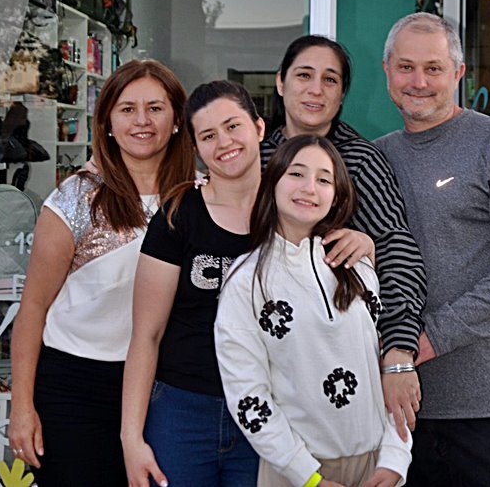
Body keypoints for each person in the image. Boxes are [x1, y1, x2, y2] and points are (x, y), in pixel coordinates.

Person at [121, 80, 373, 487]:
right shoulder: (178, 215)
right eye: (208, 136)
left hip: (277, 414)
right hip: (185, 409)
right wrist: (131, 438)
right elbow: (146, 335)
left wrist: (365, 246)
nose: (224, 142)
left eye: (232, 126)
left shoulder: (296, 206)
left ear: (258, 128)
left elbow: (341, 306)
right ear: (196, 148)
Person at [376, 12, 490, 487]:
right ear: (387, 70)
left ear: (458, 73)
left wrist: (430, 338)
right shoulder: (373, 159)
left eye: (433, 68)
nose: (418, 81)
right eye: (406, 67)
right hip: (394, 415)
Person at [8, 59, 193, 487]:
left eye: (155, 108)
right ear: (108, 122)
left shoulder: (199, 198)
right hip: (75, 390)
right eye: (127, 109)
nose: (142, 120)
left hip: (165, 389)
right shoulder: (75, 198)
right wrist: (22, 406)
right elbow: (33, 307)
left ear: (177, 120)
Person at [215, 134, 412, 487]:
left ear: (337, 194)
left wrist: (396, 456)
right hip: (296, 471)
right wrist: (308, 477)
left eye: (324, 179)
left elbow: (381, 372)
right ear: (272, 182)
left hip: (376, 466)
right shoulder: (246, 281)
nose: (309, 188)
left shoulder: (359, 268)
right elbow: (247, 394)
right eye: (296, 174)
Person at [261, 35, 426, 437]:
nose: (316, 89)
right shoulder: (255, 157)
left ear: (341, 95)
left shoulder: (361, 161)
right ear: (281, 82)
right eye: (304, 75)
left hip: (339, 370)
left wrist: (398, 352)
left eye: (330, 80)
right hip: (263, 361)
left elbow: (397, 247)